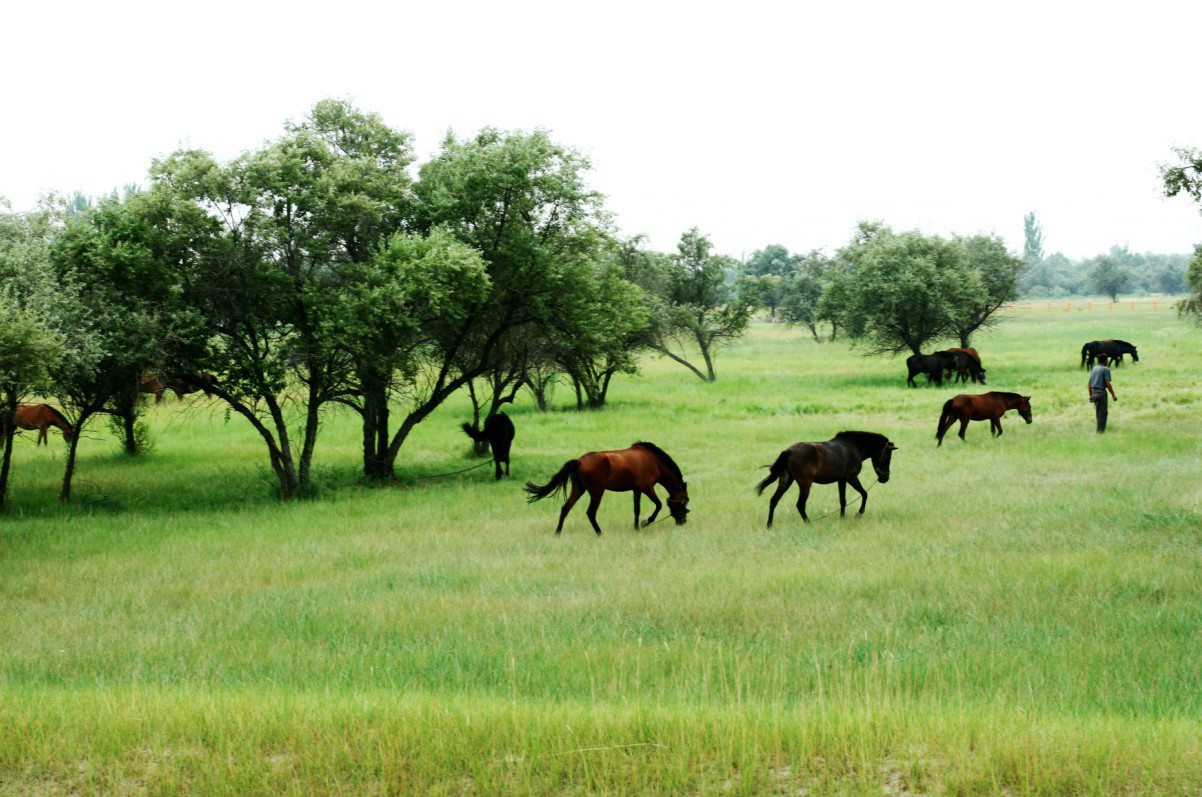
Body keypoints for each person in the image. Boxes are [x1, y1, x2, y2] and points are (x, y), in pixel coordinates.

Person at [1088, 354, 1118, 433]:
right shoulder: (1106, 369)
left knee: (1099, 412)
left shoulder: (1094, 368)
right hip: (1101, 393)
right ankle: (1100, 432)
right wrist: (1113, 395)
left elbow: (1089, 383)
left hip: (1094, 393)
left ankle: (1100, 430)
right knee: (1102, 413)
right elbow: (1108, 383)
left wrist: (1090, 395)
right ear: (1105, 360)